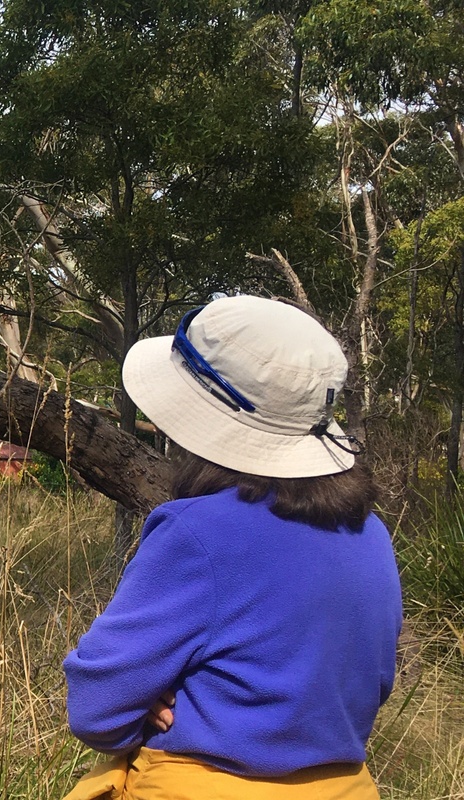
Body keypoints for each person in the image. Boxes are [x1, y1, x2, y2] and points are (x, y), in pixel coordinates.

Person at [62, 295, 402, 799]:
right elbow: (368, 686)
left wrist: (147, 702)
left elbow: (96, 708)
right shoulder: (370, 532)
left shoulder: (196, 533)